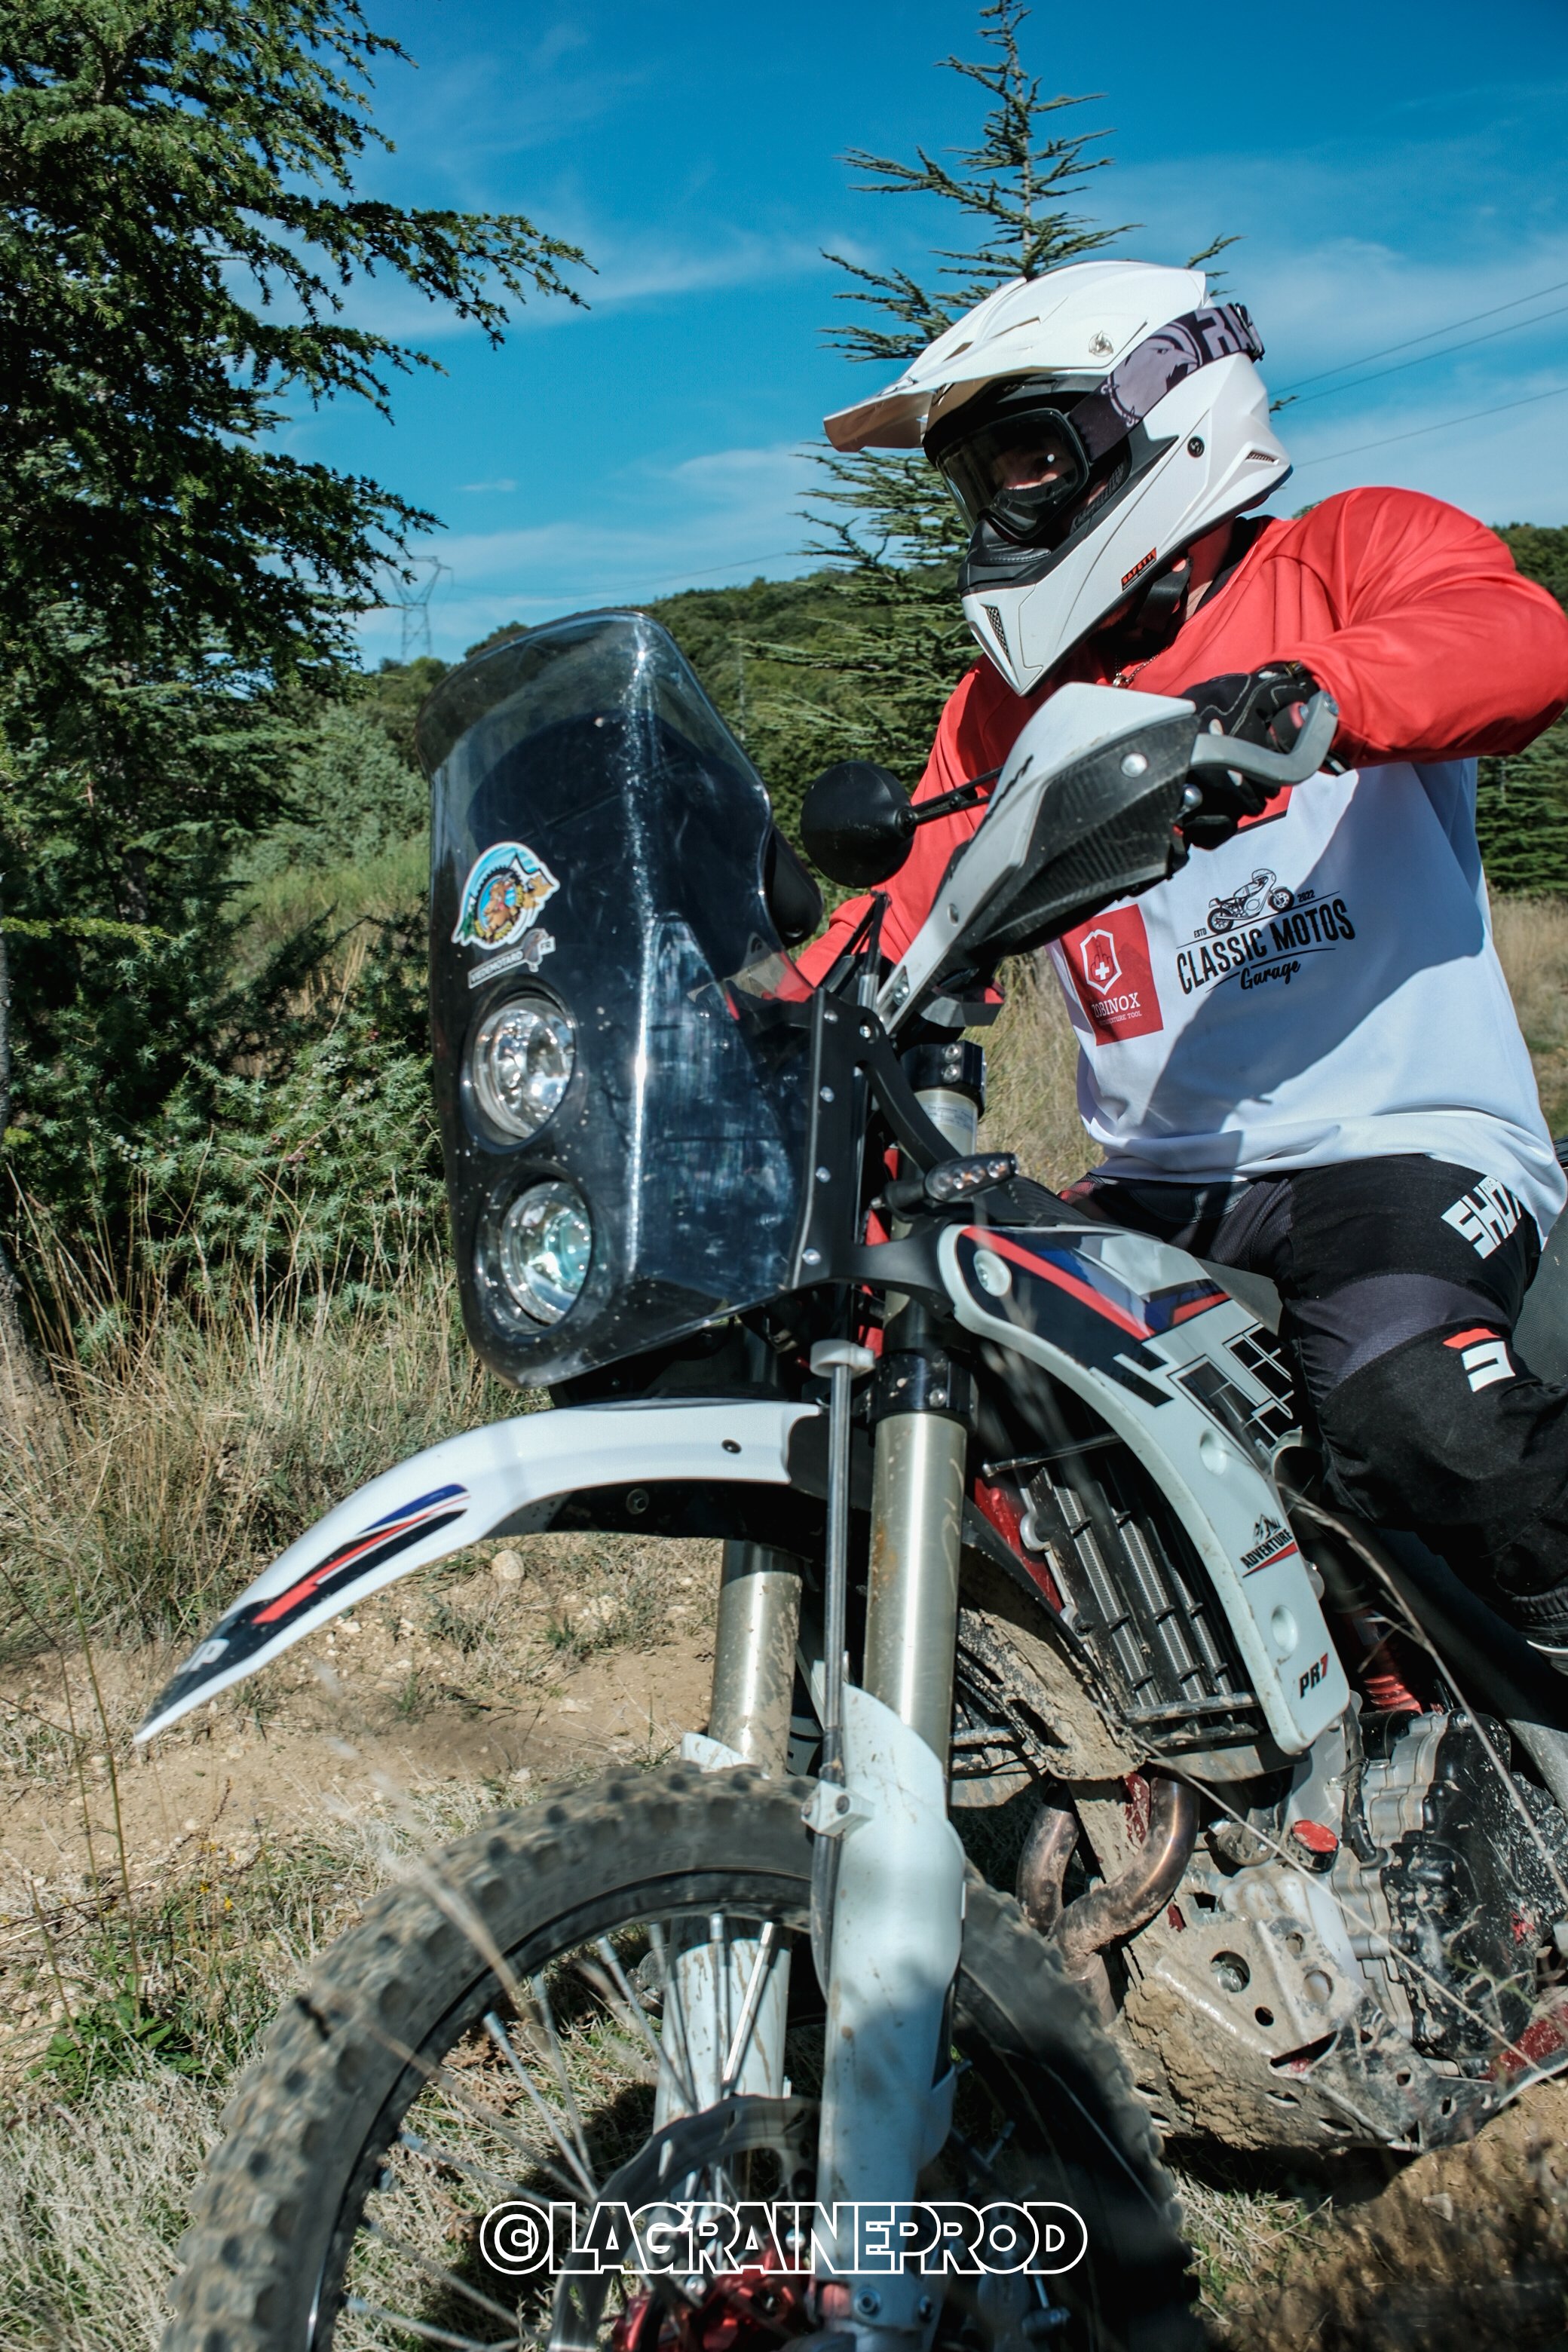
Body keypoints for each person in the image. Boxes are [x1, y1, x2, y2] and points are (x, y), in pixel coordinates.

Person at [798, 258, 1568, 1664]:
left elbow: (1518, 641)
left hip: (1401, 1144)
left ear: (1163, 420)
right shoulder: (1003, 709)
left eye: (1028, 458)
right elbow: (898, 926)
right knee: (947, 1354)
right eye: (980, 482)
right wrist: (742, 1019)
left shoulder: (1345, 554)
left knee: (1410, 1406)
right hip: (1162, 1180)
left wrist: (1312, 693)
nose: (1002, 509)